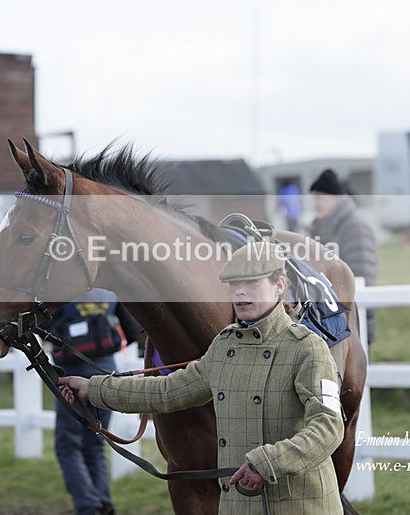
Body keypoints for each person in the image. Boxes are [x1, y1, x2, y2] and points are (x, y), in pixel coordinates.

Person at [59, 241, 345, 514]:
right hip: (239, 506)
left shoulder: (307, 347)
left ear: (279, 286)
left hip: (299, 506)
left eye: (252, 284)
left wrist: (269, 461)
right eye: (235, 285)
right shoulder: (225, 345)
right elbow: (168, 391)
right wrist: (93, 388)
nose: (241, 294)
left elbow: (328, 426)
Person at [47, 289, 143, 515]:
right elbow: (132, 331)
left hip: (69, 376)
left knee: (68, 444)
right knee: (96, 442)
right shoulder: (109, 293)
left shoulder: (62, 291)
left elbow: (46, 331)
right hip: (104, 375)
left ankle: (88, 506)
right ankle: (103, 502)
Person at [308, 168, 378, 346]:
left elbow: (362, 275)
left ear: (337, 198)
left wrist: (361, 321)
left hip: (350, 319)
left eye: (320, 198)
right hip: (327, 319)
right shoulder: (319, 229)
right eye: (313, 198)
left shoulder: (355, 228)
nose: (315, 204)